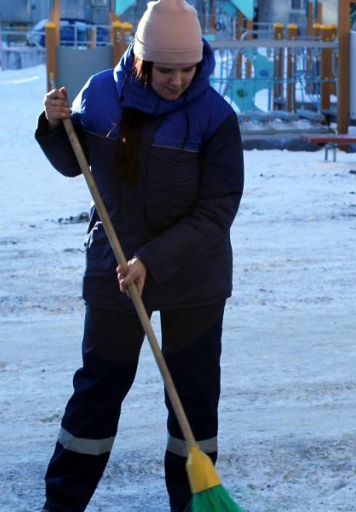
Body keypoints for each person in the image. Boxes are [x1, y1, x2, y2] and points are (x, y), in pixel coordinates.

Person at [33, 0, 244, 510]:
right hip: (116, 269)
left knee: (191, 401)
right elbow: (74, 165)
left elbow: (216, 211)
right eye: (166, 70)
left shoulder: (215, 117)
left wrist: (152, 259)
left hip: (193, 277)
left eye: (187, 69)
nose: (177, 80)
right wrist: (53, 123)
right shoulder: (102, 94)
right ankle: (62, 504)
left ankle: (194, 504)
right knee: (97, 394)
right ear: (141, 59)